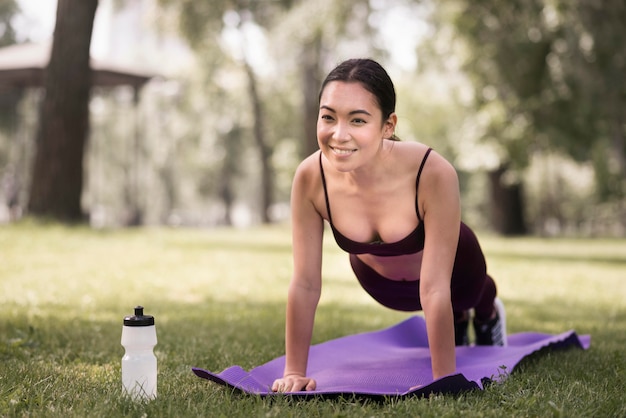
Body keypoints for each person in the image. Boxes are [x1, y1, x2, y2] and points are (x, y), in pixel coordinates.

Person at [271, 58, 507, 393]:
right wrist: (294, 371)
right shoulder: (311, 178)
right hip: (382, 285)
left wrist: (443, 379)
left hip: (454, 275)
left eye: (357, 120)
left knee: (467, 295)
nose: (339, 134)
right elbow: (306, 283)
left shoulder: (431, 171)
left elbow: (435, 288)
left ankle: (486, 315)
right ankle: (456, 321)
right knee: (442, 308)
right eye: (328, 117)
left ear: (388, 125)